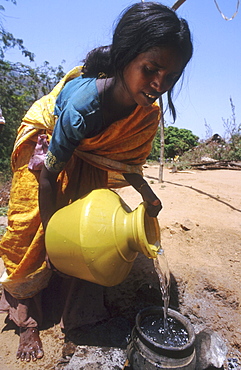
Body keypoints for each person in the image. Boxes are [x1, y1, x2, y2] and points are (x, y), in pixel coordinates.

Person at [0, 1, 193, 362]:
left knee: (89, 229)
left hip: (83, 154)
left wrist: (149, 198)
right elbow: (49, 177)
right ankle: (27, 320)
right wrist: (56, 234)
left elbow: (128, 162)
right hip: (50, 140)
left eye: (171, 77)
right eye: (151, 70)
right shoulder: (83, 107)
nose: (159, 85)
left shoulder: (145, 112)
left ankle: (81, 317)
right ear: (124, 58)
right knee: (33, 230)